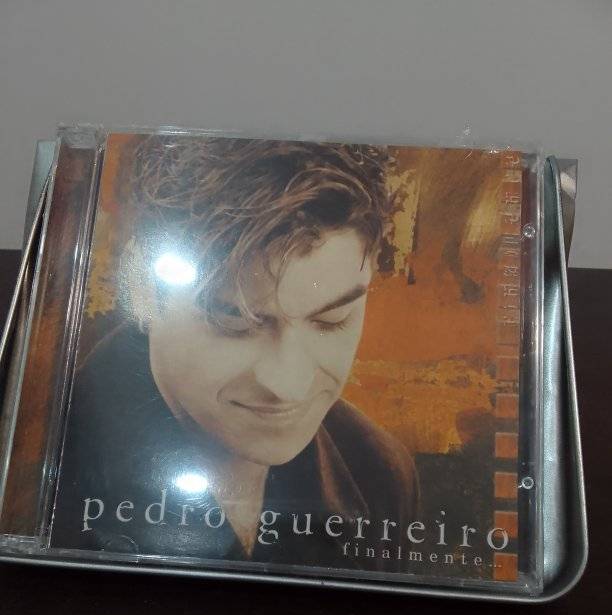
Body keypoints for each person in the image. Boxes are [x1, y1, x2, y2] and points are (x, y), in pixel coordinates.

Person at [52, 136, 419, 569]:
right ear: (142, 286)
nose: (288, 385)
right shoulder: (41, 462)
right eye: (235, 323)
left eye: (332, 319)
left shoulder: (380, 471)